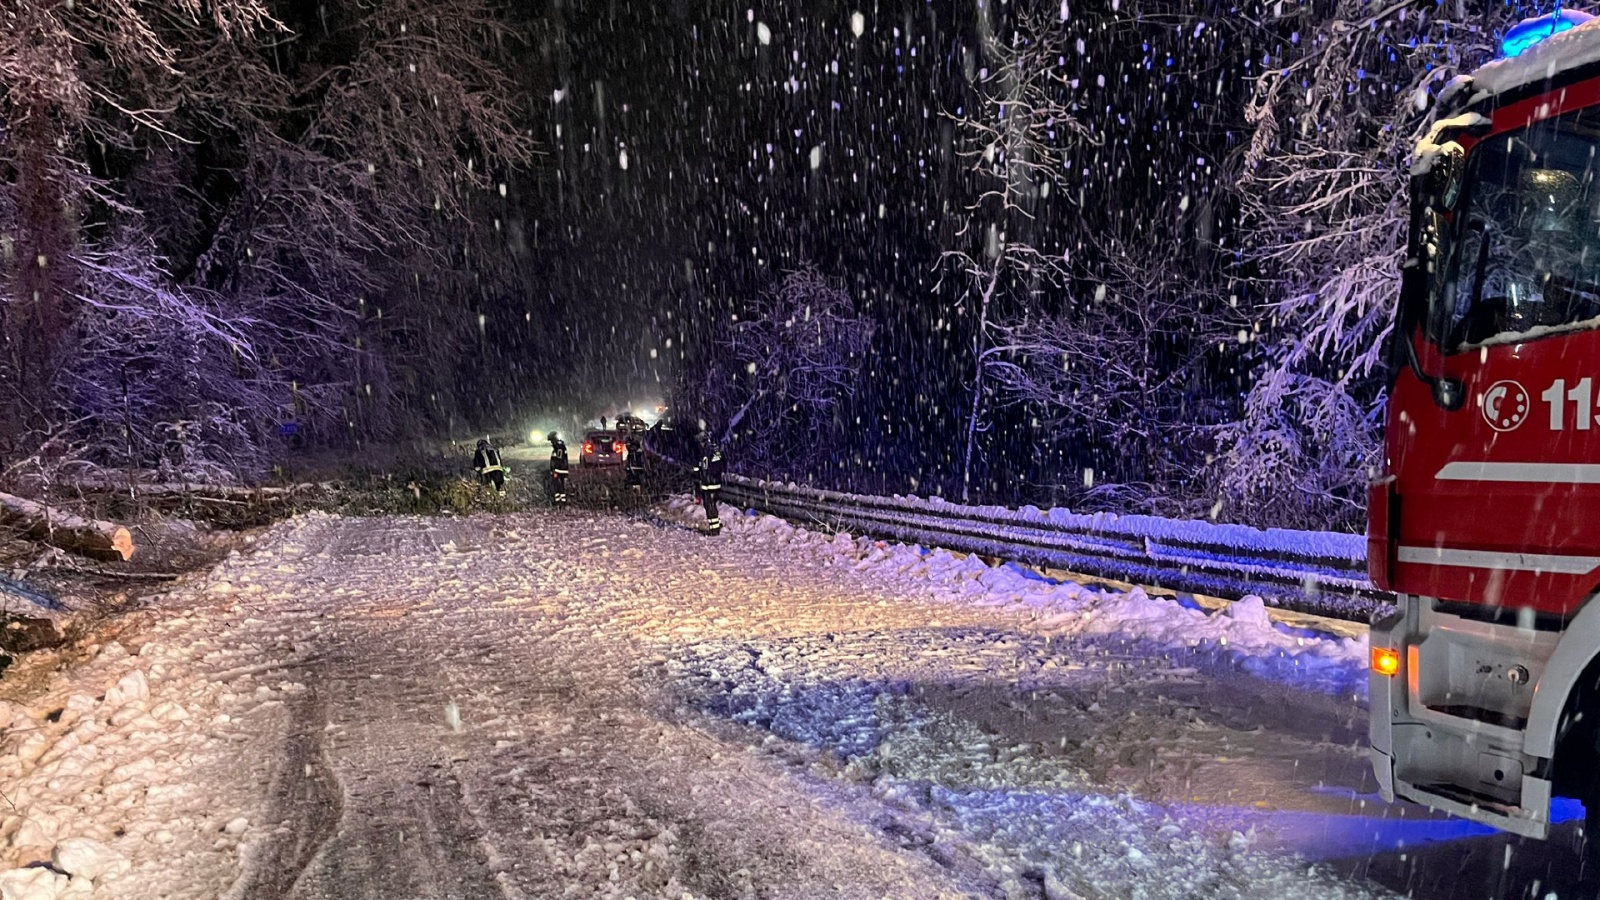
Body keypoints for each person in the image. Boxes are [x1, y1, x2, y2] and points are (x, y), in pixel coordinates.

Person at [696, 436, 725, 535]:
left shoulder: (706, 453)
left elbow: (705, 468)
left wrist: (702, 481)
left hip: (709, 485)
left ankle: (714, 530)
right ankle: (717, 525)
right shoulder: (716, 450)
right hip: (717, 482)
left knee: (709, 506)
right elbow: (723, 463)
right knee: (713, 505)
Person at [548, 431, 570, 507]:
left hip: (558, 470)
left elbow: (558, 459)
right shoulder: (560, 446)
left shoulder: (558, 447)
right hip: (562, 470)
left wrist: (554, 470)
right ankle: (562, 502)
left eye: (551, 441)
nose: (551, 443)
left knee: (558, 486)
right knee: (561, 486)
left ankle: (559, 502)